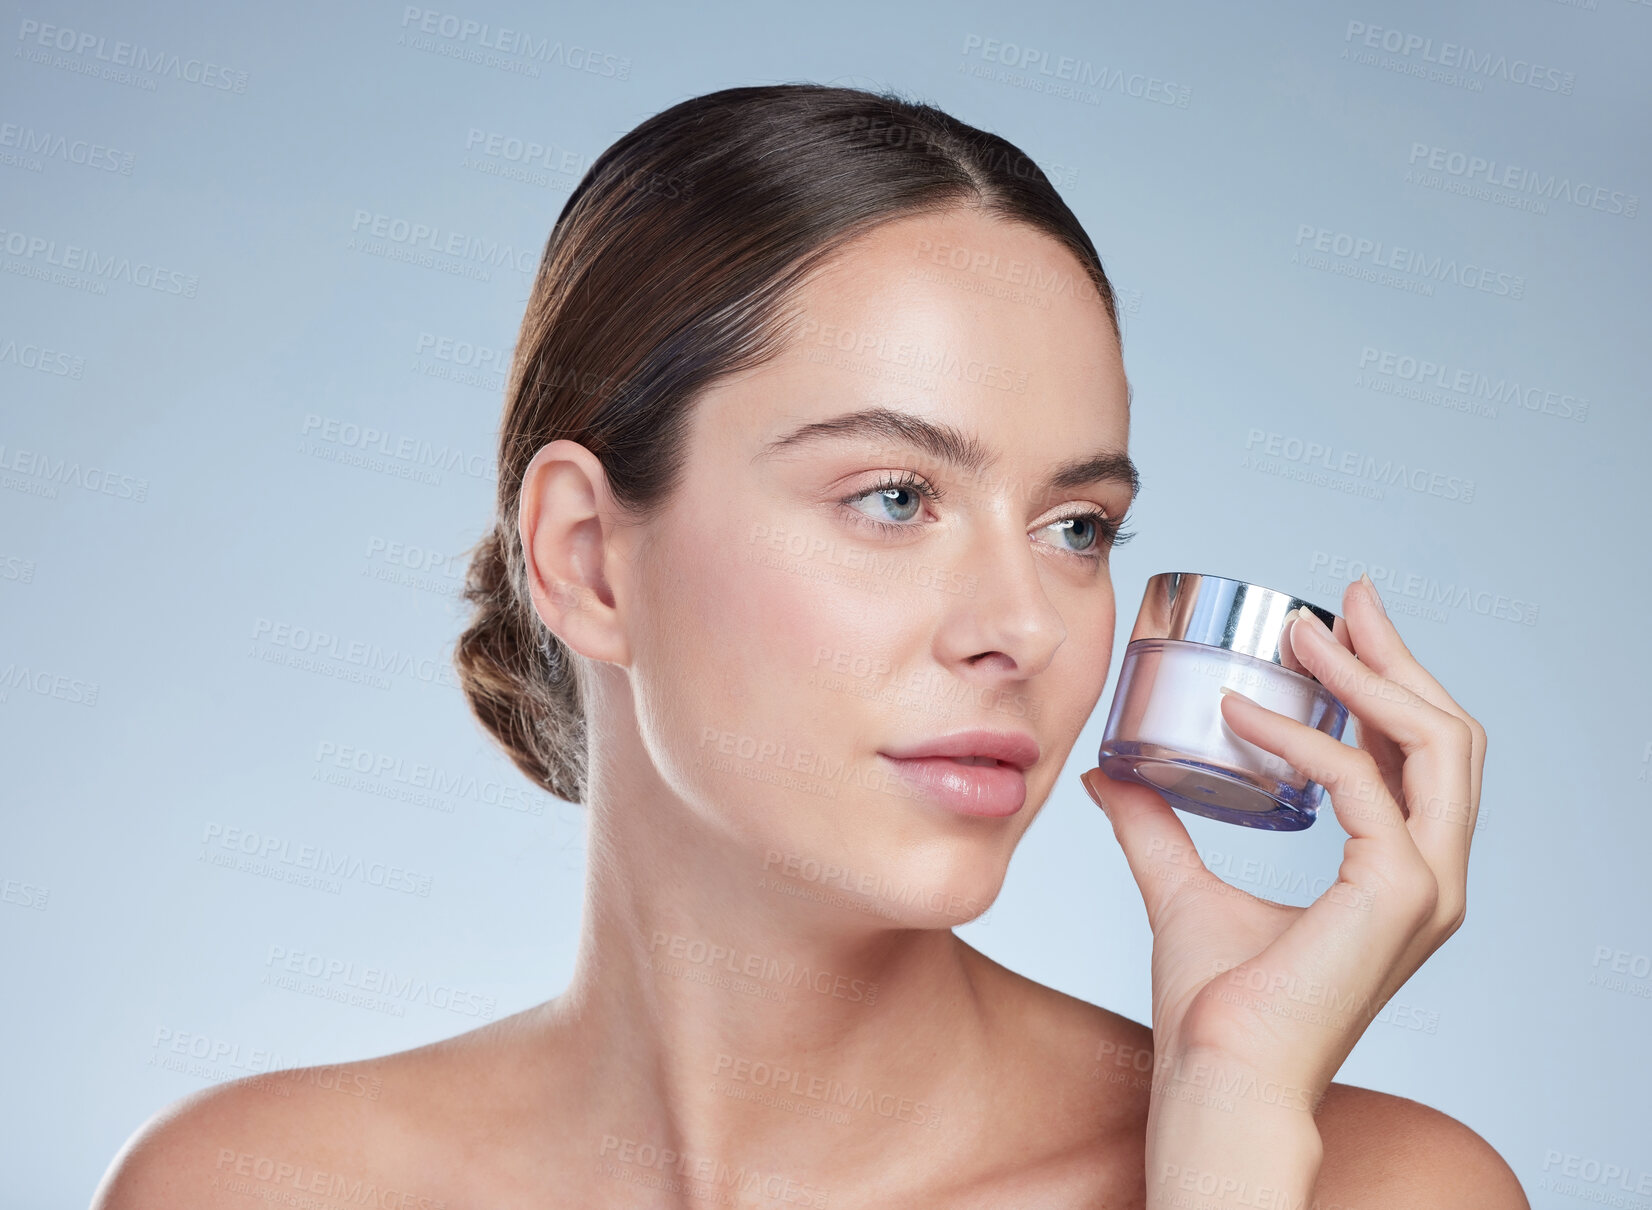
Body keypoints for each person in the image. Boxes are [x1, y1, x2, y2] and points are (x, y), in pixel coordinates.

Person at [92, 83, 1521, 1209]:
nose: (1024, 626)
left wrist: (1226, 1137)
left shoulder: (1375, 1189)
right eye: (895, 498)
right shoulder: (244, 1187)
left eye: (1078, 525)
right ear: (588, 557)